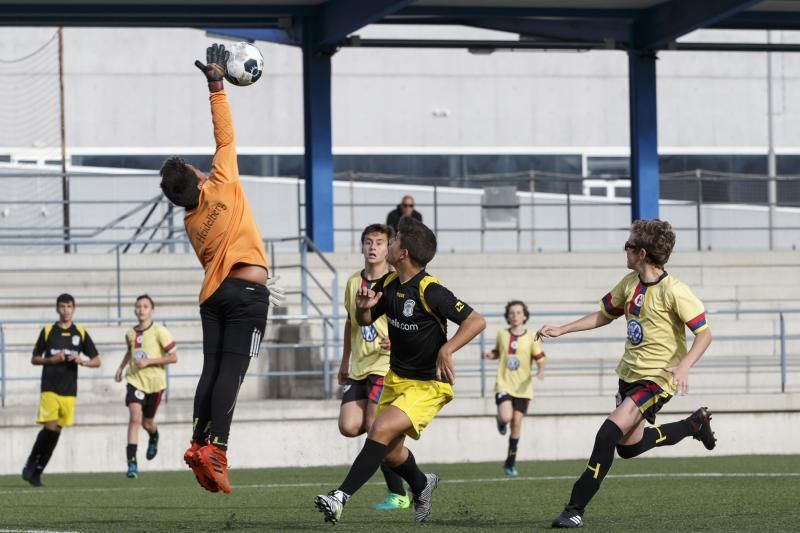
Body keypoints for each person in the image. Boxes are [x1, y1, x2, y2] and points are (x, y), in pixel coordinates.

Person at [159, 43, 283, 494]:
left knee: (210, 369)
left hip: (212, 297)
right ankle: (218, 448)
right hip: (247, 294)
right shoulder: (222, 184)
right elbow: (225, 136)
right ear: (197, 179)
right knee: (233, 369)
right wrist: (216, 84)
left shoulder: (191, 221)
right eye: (195, 168)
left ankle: (196, 442)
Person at [536, 219, 716, 529]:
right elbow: (604, 315)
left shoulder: (675, 290)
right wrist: (562, 329)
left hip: (658, 379)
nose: (625, 250)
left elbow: (704, 334)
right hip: (628, 375)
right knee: (628, 447)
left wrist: (684, 365)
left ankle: (574, 508)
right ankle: (693, 424)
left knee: (606, 433)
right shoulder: (629, 283)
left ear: (642, 253)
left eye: (628, 246)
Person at [314, 217, 486, 524]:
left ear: (402, 252)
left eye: (392, 242)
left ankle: (339, 498)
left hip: (427, 386)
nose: (387, 245)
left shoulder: (430, 290)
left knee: (378, 430)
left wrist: (447, 349)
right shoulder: (389, 284)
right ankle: (421, 484)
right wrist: (365, 307)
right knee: (392, 453)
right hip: (396, 380)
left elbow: (476, 321)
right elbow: (365, 321)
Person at [337, 223, 410, 511]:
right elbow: (350, 322)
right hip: (359, 366)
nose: (373, 247)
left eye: (379, 242)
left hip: (385, 365)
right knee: (348, 425)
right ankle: (414, 474)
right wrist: (344, 361)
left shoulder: (395, 281)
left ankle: (398, 493)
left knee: (372, 426)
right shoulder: (354, 281)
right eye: (368, 241)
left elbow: (408, 321)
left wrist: (398, 341)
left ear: (388, 246)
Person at [21, 293, 101, 487]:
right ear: (57, 308)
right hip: (50, 386)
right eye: (63, 306)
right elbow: (34, 358)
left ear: (74, 309)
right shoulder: (48, 331)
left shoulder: (80, 332)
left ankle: (38, 471)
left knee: (56, 431)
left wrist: (81, 361)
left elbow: (97, 360)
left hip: (69, 389)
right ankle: (31, 461)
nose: (66, 310)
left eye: (69, 307)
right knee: (49, 426)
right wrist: (51, 360)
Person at [114, 294, 178, 479]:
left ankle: (154, 436)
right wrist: (121, 367)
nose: (141, 309)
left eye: (145, 306)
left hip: (155, 384)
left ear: (152, 310)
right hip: (135, 381)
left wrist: (149, 361)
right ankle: (132, 464)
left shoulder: (160, 331)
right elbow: (130, 351)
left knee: (146, 422)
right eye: (138, 306)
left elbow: (173, 357)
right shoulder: (130, 333)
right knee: (134, 418)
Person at [483, 300, 545, 477]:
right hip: (504, 384)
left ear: (525, 316)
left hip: (524, 389)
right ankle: (500, 420)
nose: (515, 316)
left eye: (519, 313)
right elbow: (498, 352)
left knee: (516, 423)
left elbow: (540, 357)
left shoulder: (531, 336)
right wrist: (490, 355)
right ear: (507, 316)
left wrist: (540, 371)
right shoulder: (502, 334)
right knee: (506, 416)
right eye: (512, 313)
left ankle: (510, 463)